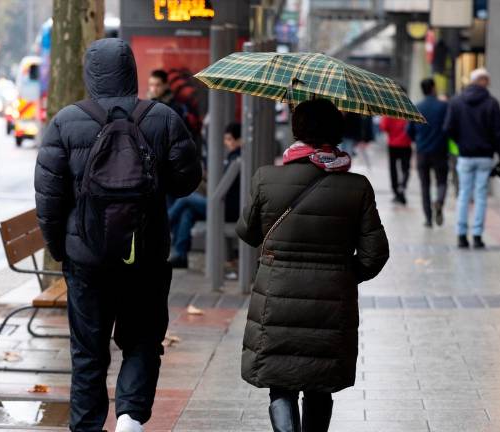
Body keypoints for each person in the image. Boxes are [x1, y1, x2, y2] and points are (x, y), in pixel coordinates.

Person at [34, 39, 201, 431]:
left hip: (87, 259)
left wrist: (63, 250)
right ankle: (129, 418)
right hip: (145, 255)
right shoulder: (160, 117)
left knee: (88, 352)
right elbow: (187, 181)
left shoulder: (65, 121)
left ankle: (88, 425)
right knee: (142, 340)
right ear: (132, 71)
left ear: (89, 74)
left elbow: (49, 199)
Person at [236, 99, 389, 432]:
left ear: (296, 130)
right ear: (337, 133)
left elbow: (246, 232)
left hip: (276, 296)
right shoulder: (356, 187)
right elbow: (375, 253)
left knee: (281, 381)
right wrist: (345, 275)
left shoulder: (266, 178)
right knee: (320, 384)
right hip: (332, 302)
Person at [444, 68, 500, 249]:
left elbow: (447, 128)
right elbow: (499, 133)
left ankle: (461, 235)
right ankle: (477, 235)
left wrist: (461, 142)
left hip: (465, 155)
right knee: (480, 196)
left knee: (464, 194)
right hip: (485, 156)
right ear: (485, 81)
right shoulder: (492, 103)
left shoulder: (456, 101)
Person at [167, 122, 242, 268]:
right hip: (223, 204)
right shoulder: (234, 157)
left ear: (240, 140)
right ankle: (181, 255)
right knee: (187, 213)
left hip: (227, 208)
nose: (227, 143)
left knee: (186, 199)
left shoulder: (237, 158)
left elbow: (224, 186)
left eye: (230, 139)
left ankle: (163, 224)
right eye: (226, 139)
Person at [407, 78, 450, 227]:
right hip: (440, 151)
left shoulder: (417, 107)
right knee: (442, 181)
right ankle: (439, 201)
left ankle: (428, 219)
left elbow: (409, 132)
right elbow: (449, 127)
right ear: (433, 88)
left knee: (425, 186)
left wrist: (419, 141)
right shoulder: (444, 106)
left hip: (422, 152)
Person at [379, 114, 412, 205]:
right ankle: (402, 186)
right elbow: (412, 128)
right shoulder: (408, 111)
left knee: (393, 169)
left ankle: (396, 191)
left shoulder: (390, 111)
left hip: (393, 144)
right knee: (405, 168)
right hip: (406, 144)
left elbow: (383, 126)